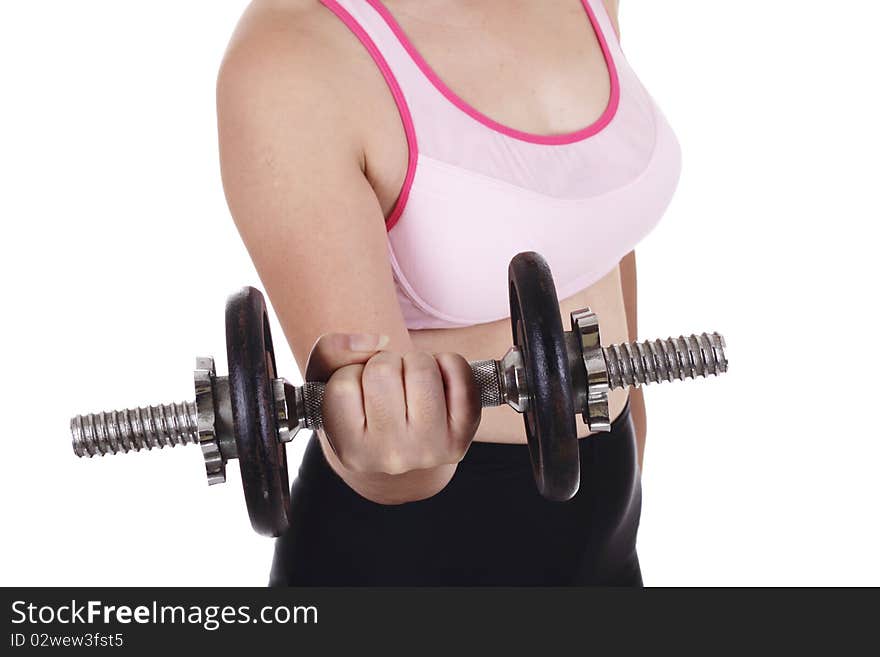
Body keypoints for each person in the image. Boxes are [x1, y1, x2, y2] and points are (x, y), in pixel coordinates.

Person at [217, 0, 681, 585]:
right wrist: (390, 463)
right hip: (411, 555)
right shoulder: (290, 59)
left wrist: (632, 427)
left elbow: (599, 218)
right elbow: (388, 458)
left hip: (607, 528)